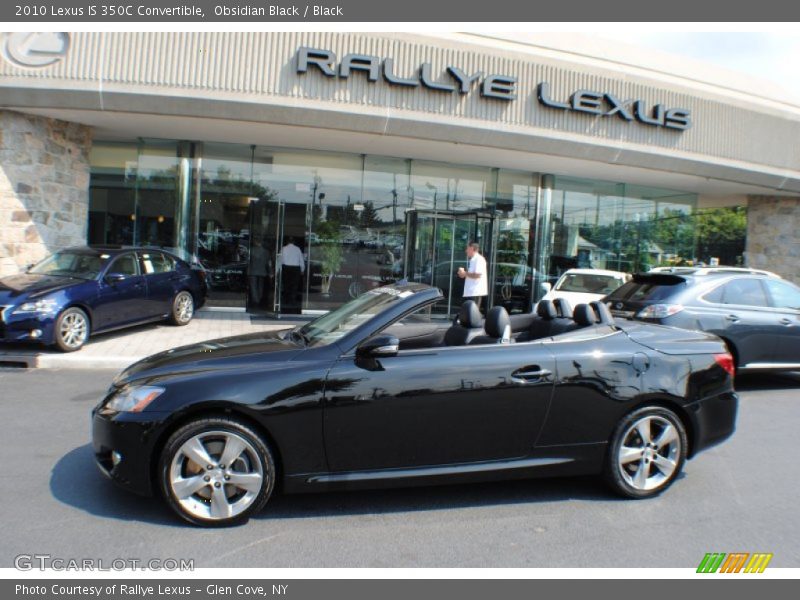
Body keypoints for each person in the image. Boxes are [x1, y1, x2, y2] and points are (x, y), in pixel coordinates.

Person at [457, 241, 488, 310]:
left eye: (467, 248)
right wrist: (463, 274)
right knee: (469, 314)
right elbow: (472, 275)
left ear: (471, 248)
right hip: (471, 292)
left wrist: (465, 273)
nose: (466, 251)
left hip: (475, 293)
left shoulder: (479, 259)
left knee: (472, 315)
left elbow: (478, 275)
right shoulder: (474, 259)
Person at [279, 237, 305, 314]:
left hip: (286, 267)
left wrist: (279, 269)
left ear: (287, 241)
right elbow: (301, 260)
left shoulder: (283, 248)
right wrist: (302, 270)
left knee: (286, 284)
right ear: (294, 242)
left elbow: (280, 259)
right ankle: (292, 301)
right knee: (294, 285)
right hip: (295, 268)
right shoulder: (297, 249)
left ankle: (286, 300)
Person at [248, 238, 268, 307]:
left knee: (253, 286)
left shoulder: (251, 250)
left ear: (256, 242)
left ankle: (255, 300)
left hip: (253, 271)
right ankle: (259, 298)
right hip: (262, 271)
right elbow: (268, 262)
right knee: (260, 286)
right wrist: (270, 271)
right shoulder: (266, 251)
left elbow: (248, 261)